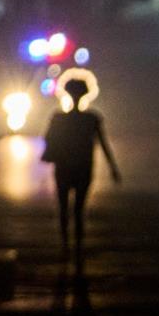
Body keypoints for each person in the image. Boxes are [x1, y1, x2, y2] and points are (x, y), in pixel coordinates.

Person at [41, 78, 122, 255]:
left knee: (63, 207)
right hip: (83, 167)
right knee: (79, 208)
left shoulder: (58, 118)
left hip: (63, 167)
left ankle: (65, 245)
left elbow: (48, 139)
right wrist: (113, 168)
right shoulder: (92, 119)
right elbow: (103, 144)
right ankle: (77, 246)